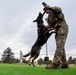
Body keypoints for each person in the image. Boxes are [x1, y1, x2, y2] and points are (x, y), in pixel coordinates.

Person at [42, 2, 69, 69]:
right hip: (57, 30)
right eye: (45, 11)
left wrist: (50, 7)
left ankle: (55, 63)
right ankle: (64, 63)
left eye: (46, 9)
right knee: (60, 46)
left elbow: (59, 9)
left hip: (62, 28)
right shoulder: (49, 18)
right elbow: (50, 26)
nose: (46, 11)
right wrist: (44, 28)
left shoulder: (55, 11)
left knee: (59, 46)